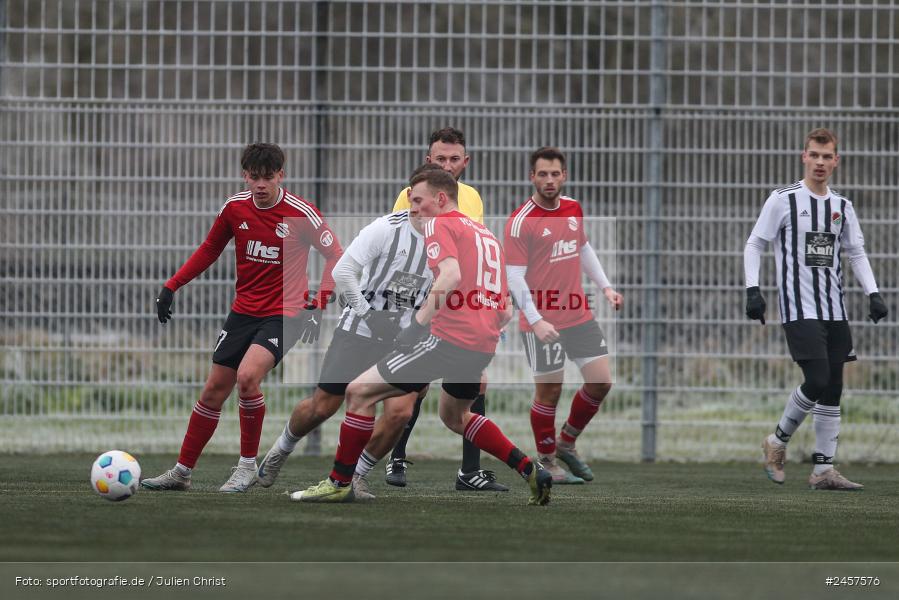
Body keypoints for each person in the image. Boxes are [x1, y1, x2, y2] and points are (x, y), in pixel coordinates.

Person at [292, 166, 552, 505]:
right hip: (482, 344)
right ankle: (530, 469)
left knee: (357, 392)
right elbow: (504, 310)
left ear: (440, 198)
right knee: (456, 417)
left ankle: (339, 482)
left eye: (418, 200)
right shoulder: (486, 235)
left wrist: (418, 323)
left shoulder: (440, 225)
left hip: (445, 339)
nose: (413, 208)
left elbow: (450, 277)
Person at [141, 143, 342, 493]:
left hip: (286, 313)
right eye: (254, 177)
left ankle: (246, 466)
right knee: (213, 391)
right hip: (243, 311)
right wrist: (172, 285)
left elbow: (335, 255)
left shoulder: (300, 213)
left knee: (248, 378)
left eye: (268, 177)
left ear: (282, 175)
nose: (260, 185)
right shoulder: (235, 208)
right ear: (244, 175)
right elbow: (209, 248)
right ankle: (182, 472)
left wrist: (319, 303)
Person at [254, 165, 439, 500]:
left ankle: (354, 476)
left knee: (400, 411)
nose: (415, 205)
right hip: (360, 330)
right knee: (323, 406)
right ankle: (281, 448)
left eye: (423, 200)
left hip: (403, 340)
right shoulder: (385, 229)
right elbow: (343, 272)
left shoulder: (453, 239)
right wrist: (370, 313)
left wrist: (423, 329)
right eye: (413, 197)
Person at [746, 128, 887, 491]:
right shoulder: (782, 199)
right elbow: (755, 243)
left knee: (834, 387)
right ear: (803, 157)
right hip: (798, 307)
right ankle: (777, 441)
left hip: (834, 308)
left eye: (827, 156)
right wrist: (753, 290)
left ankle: (823, 470)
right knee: (818, 379)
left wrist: (873, 292)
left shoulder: (842, 206)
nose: (820, 162)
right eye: (815, 155)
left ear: (836, 161)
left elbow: (855, 252)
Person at [387, 127, 507, 492]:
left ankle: (469, 473)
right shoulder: (409, 196)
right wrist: (402, 307)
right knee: (414, 387)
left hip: (461, 305)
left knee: (477, 384)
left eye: (455, 159)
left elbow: (475, 255)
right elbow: (400, 251)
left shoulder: (471, 198)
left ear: (465, 162)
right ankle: (396, 458)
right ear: (428, 160)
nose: (448, 165)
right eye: (441, 158)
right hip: (424, 298)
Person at [503, 147, 623, 484]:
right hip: (541, 320)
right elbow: (513, 276)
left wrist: (606, 287)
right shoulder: (520, 221)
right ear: (532, 177)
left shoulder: (572, 209)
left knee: (601, 381)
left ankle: (567, 442)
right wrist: (536, 320)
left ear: (564, 175)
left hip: (577, 313)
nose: (549, 180)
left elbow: (582, 248)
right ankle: (547, 461)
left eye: (555, 174)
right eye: (542, 174)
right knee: (549, 392)